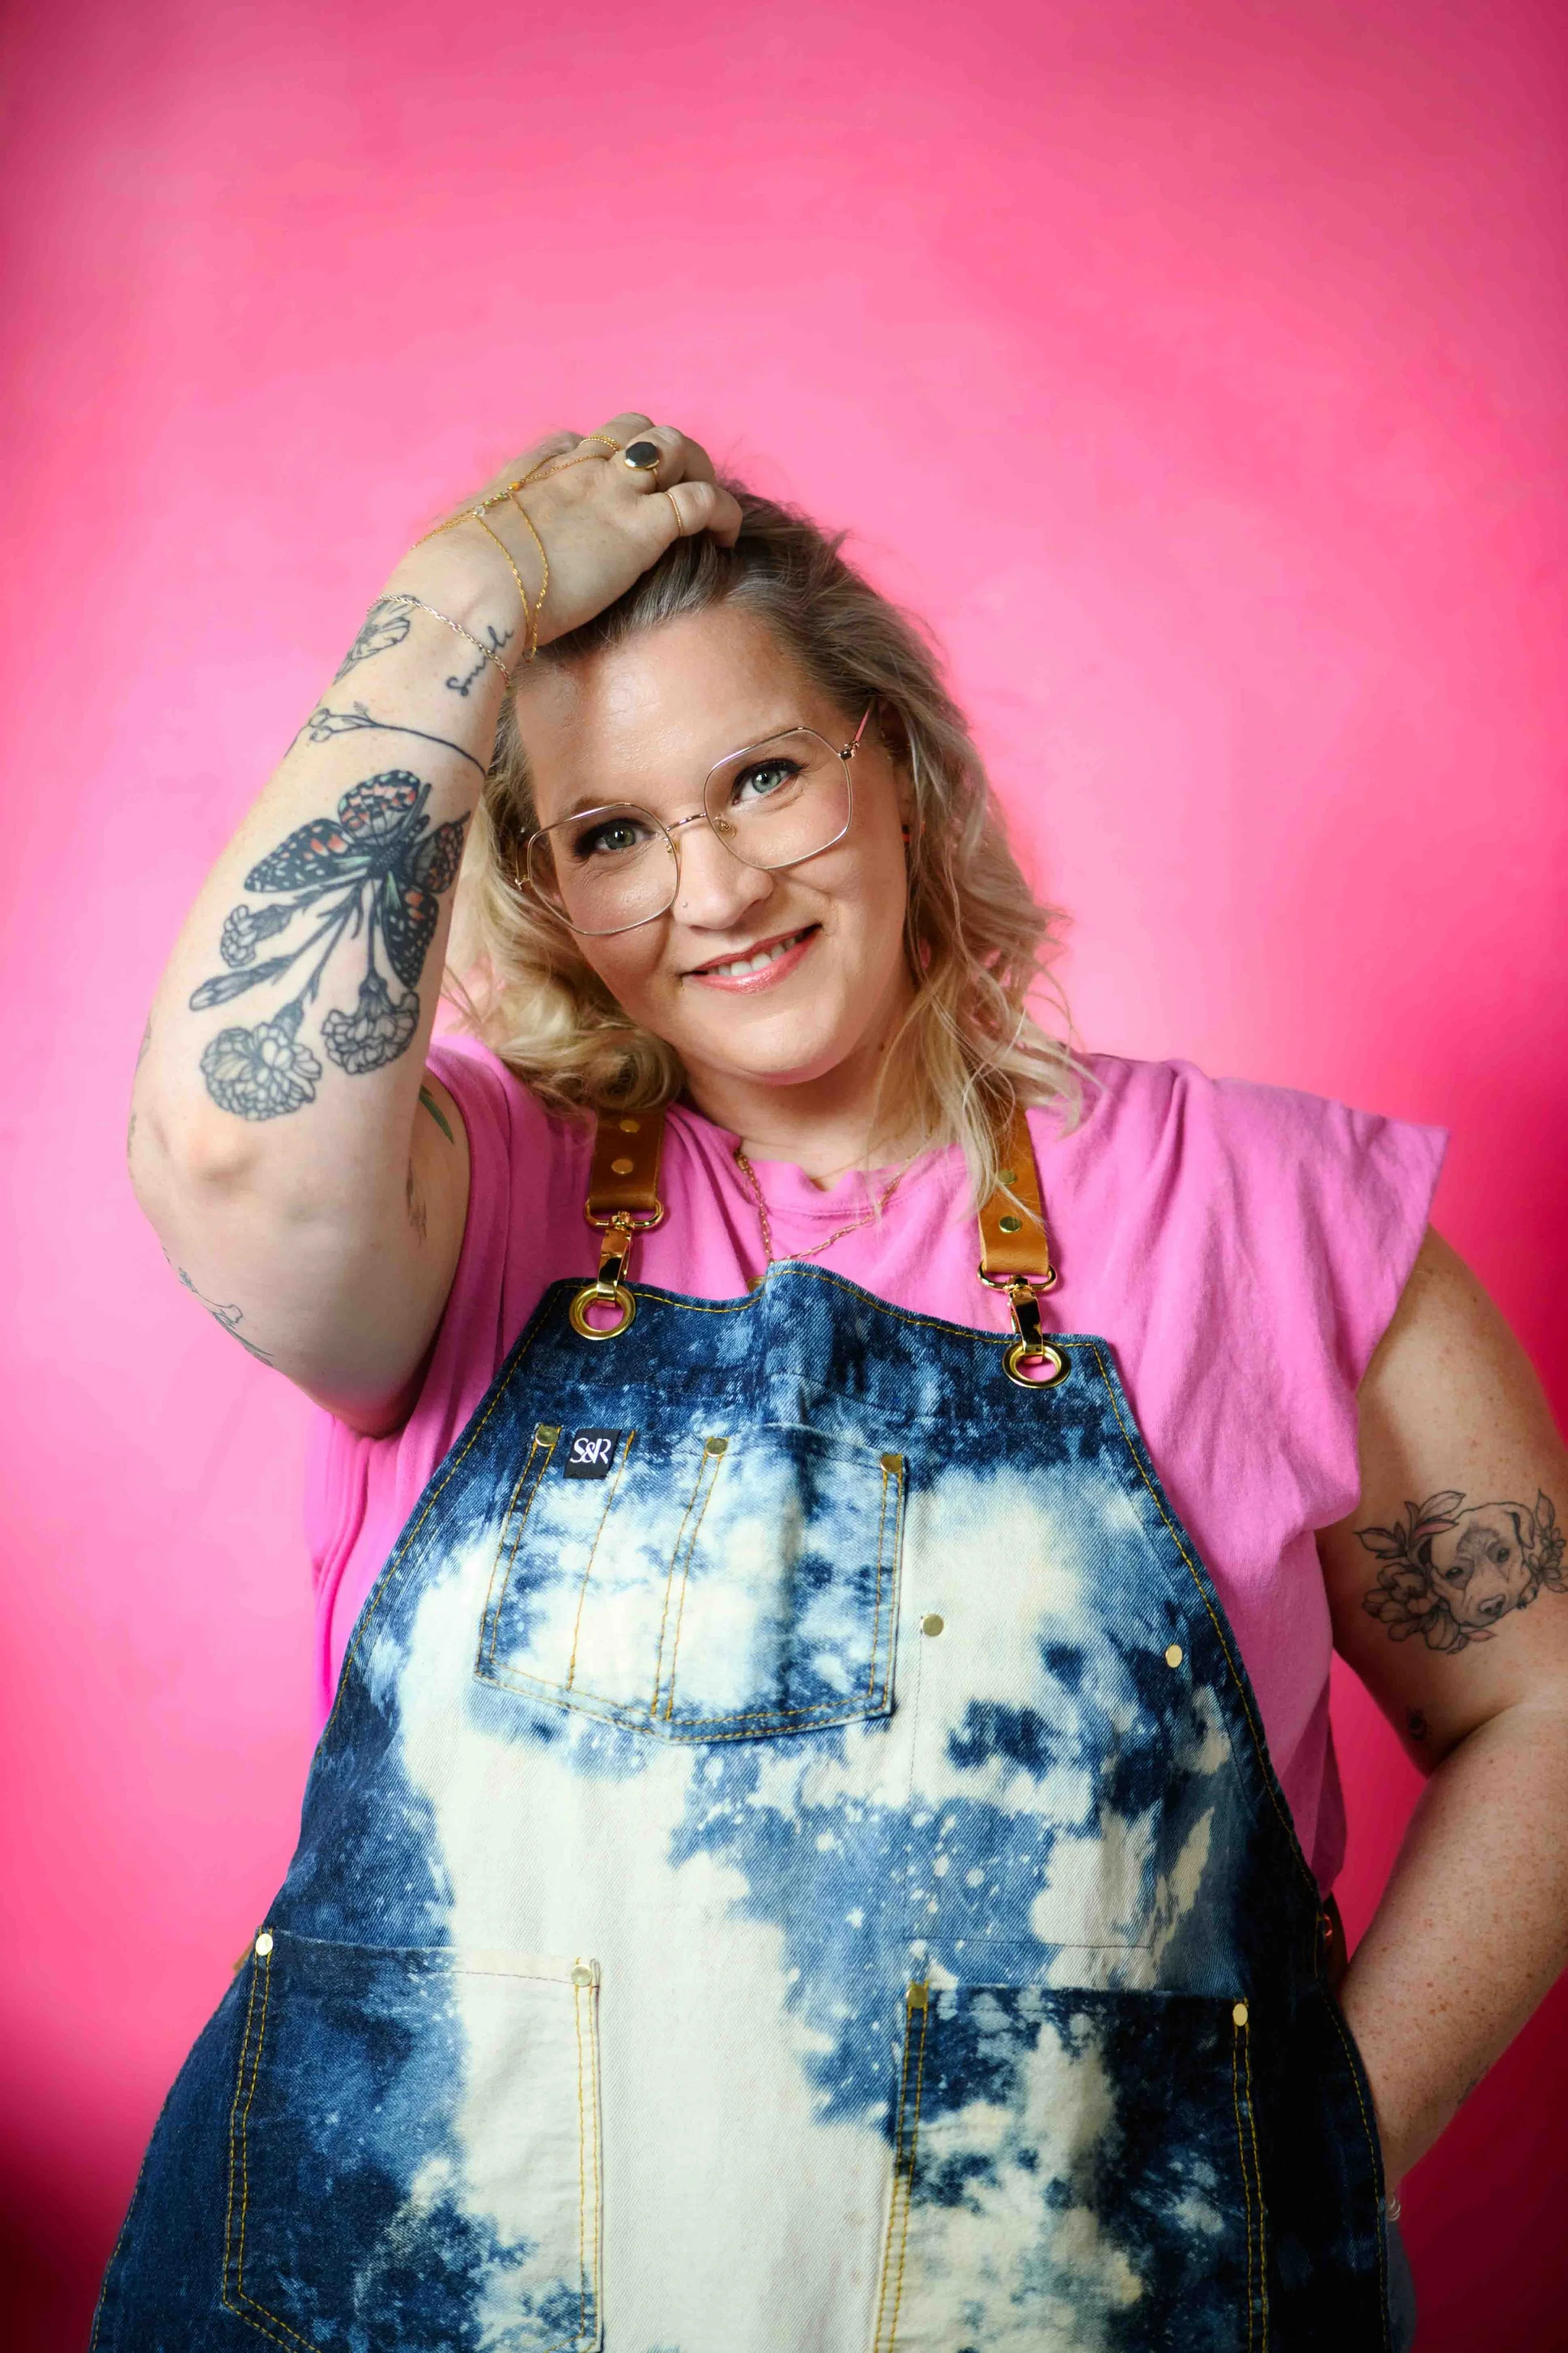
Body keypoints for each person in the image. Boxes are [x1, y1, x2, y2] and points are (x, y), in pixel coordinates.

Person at [99, 415, 1567, 2352]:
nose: (711, 889)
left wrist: (1307, 2151)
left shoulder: (1272, 1215)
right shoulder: (454, 1212)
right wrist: (465, 590)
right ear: (543, 887)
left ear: (898, 763)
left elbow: (1541, 1697)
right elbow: (226, 1148)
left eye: (762, 773)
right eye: (612, 833)